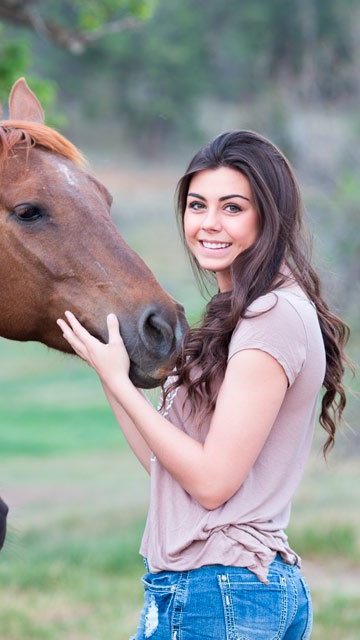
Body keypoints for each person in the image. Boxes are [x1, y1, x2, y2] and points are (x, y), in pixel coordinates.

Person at [57, 130, 350, 640]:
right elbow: (165, 466)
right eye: (197, 205)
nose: (209, 224)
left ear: (268, 216)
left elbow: (212, 484)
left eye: (232, 208)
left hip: (221, 594)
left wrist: (118, 383)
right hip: (216, 592)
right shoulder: (243, 312)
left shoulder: (271, 315)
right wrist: (110, 371)